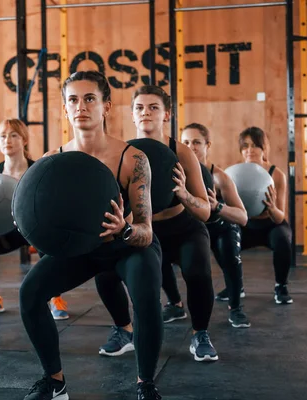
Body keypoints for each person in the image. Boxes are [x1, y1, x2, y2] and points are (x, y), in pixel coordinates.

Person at [20, 71, 163, 400]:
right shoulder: (51, 162)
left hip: (127, 246)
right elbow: (32, 217)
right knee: (30, 294)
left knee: (145, 295)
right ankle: (55, 382)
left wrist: (123, 229)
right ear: (64, 108)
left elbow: (145, 229)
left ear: (106, 107)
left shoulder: (133, 159)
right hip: (82, 249)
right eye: (73, 99)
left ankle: (146, 384)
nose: (80, 106)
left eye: (89, 99)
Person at [94, 85, 219, 362]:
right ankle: (123, 330)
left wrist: (184, 194)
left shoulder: (182, 153)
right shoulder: (122, 153)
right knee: (105, 272)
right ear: (132, 115)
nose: (145, 113)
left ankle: (200, 334)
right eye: (139, 108)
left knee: (197, 270)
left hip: (183, 228)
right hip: (142, 229)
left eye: (153, 107)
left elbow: (205, 212)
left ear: (167, 115)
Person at [0, 119, 69, 320]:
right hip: (7, 232)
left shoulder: (36, 170)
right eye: (3, 136)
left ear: (23, 140)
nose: (8, 140)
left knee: (48, 254)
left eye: (14, 135)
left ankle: (54, 298)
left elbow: (49, 202)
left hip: (35, 228)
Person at [181, 123, 250, 328]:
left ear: (207, 145)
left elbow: (243, 217)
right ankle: (175, 304)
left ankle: (236, 308)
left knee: (230, 253)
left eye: (196, 142)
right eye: (186, 142)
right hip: (192, 229)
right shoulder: (176, 173)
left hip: (219, 227)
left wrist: (217, 206)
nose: (191, 146)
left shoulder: (219, 177)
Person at [237, 127, 293, 304]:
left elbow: (280, 217)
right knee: (222, 238)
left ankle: (281, 286)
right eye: (245, 146)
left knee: (283, 238)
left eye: (255, 145)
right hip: (247, 224)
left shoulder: (277, 175)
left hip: (271, 225)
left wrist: (271, 207)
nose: (250, 150)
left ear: (264, 148)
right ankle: (235, 285)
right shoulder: (235, 174)